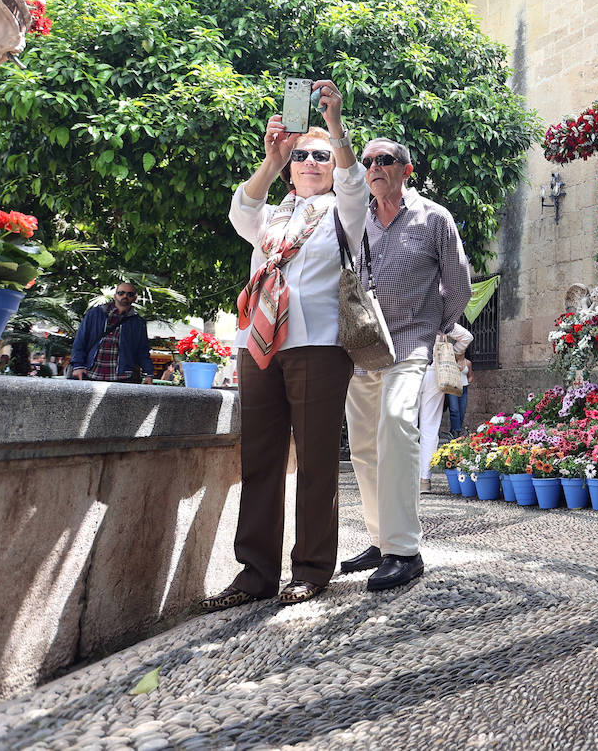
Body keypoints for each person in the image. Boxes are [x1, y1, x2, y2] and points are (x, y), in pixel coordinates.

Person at [201, 79, 365, 611]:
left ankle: (313, 567)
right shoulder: (273, 218)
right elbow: (240, 209)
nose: (311, 161)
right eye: (302, 155)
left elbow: (353, 180)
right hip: (259, 345)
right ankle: (255, 572)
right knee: (260, 458)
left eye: (319, 155)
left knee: (316, 459)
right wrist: (271, 161)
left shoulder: (343, 212)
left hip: (317, 344)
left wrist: (333, 124)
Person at [340, 138, 471, 591]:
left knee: (396, 424)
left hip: (412, 341)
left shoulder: (434, 218)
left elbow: (459, 284)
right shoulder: (358, 221)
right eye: (369, 161)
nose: (375, 167)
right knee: (362, 444)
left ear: (406, 169)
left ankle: (404, 551)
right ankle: (380, 540)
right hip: (365, 343)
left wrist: (437, 325)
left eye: (385, 160)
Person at [418, 320, 473, 489]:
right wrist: (452, 353)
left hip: (408, 369)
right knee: (430, 427)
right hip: (435, 371)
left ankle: (405, 477)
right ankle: (424, 480)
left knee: (407, 426)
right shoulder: (439, 314)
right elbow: (466, 336)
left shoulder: (404, 306)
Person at [69, 284, 155, 384]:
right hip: (91, 373)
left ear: (134, 298)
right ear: (115, 296)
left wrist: (149, 373)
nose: (125, 296)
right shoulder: (95, 314)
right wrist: (78, 366)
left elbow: (142, 350)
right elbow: (80, 341)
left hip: (122, 376)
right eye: (121, 293)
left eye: (130, 294)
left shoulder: (138, 322)